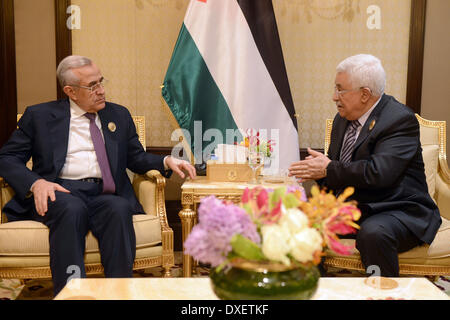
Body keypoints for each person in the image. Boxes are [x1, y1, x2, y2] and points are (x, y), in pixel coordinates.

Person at [0, 55, 196, 295]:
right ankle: (73, 294)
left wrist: (166, 160)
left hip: (104, 192)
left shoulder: (119, 115)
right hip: (60, 191)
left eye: (101, 82)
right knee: (72, 209)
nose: (101, 91)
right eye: (92, 86)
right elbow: (7, 158)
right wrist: (36, 183)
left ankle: (119, 293)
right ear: (70, 91)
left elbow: (135, 157)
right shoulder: (39, 116)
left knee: (118, 208)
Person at [288, 54, 441, 277]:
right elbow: (337, 170)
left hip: (397, 208)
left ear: (365, 94)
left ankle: (381, 291)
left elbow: (379, 173)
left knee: (374, 233)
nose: (334, 97)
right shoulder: (343, 118)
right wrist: (318, 173)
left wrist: (328, 169)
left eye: (341, 90)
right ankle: (318, 286)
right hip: (356, 208)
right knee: (300, 221)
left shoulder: (399, 120)